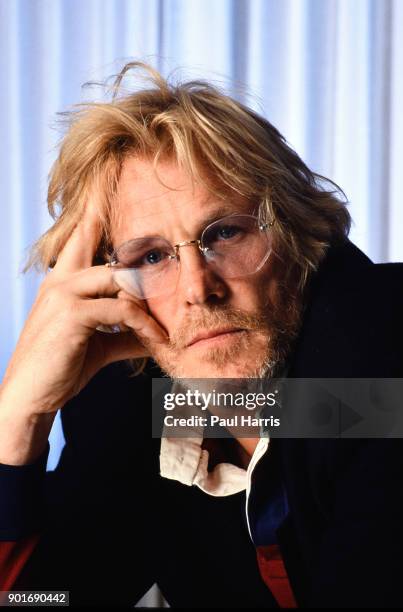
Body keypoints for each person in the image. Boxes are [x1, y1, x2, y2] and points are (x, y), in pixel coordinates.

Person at [0, 61, 402, 608]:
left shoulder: (378, 338)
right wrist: (20, 417)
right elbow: (45, 599)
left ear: (297, 233)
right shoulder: (136, 408)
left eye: (226, 232)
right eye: (152, 255)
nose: (198, 287)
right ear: (111, 287)